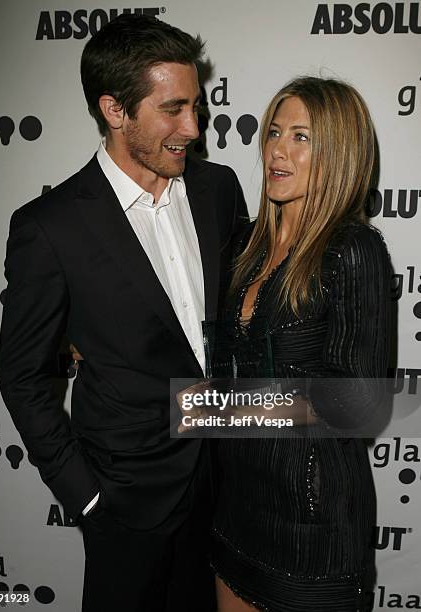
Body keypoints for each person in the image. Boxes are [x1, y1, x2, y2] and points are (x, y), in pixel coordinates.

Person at [0, 14, 247, 612]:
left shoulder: (219, 190)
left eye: (197, 105)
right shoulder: (51, 227)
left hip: (222, 484)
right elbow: (23, 376)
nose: (194, 126)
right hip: (126, 500)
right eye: (173, 109)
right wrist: (85, 497)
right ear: (115, 111)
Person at [210, 77, 390, 612]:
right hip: (234, 511)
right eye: (273, 132)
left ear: (337, 153)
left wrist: (213, 408)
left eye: (301, 137)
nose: (277, 150)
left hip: (313, 525)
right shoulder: (245, 245)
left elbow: (362, 402)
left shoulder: (352, 250)